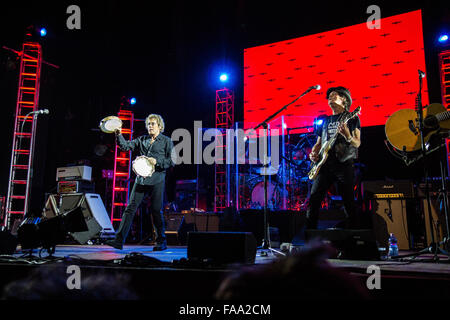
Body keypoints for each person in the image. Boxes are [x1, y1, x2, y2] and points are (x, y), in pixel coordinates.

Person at [106, 114, 174, 251]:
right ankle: (119, 241)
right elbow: (125, 146)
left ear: (159, 126)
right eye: (148, 124)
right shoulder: (142, 139)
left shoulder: (167, 141)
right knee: (130, 209)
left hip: (157, 180)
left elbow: (171, 161)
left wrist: (158, 161)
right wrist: (118, 135)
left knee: (155, 211)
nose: (150, 126)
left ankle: (161, 242)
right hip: (141, 180)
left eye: (153, 124)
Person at [307, 86, 361, 230]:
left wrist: (348, 135)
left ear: (344, 99)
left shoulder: (352, 118)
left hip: (343, 164)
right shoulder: (325, 120)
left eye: (334, 95)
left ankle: (353, 236)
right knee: (314, 200)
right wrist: (313, 154)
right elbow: (318, 144)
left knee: (348, 202)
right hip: (324, 166)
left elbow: (357, 142)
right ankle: (310, 237)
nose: (330, 97)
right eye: (329, 96)